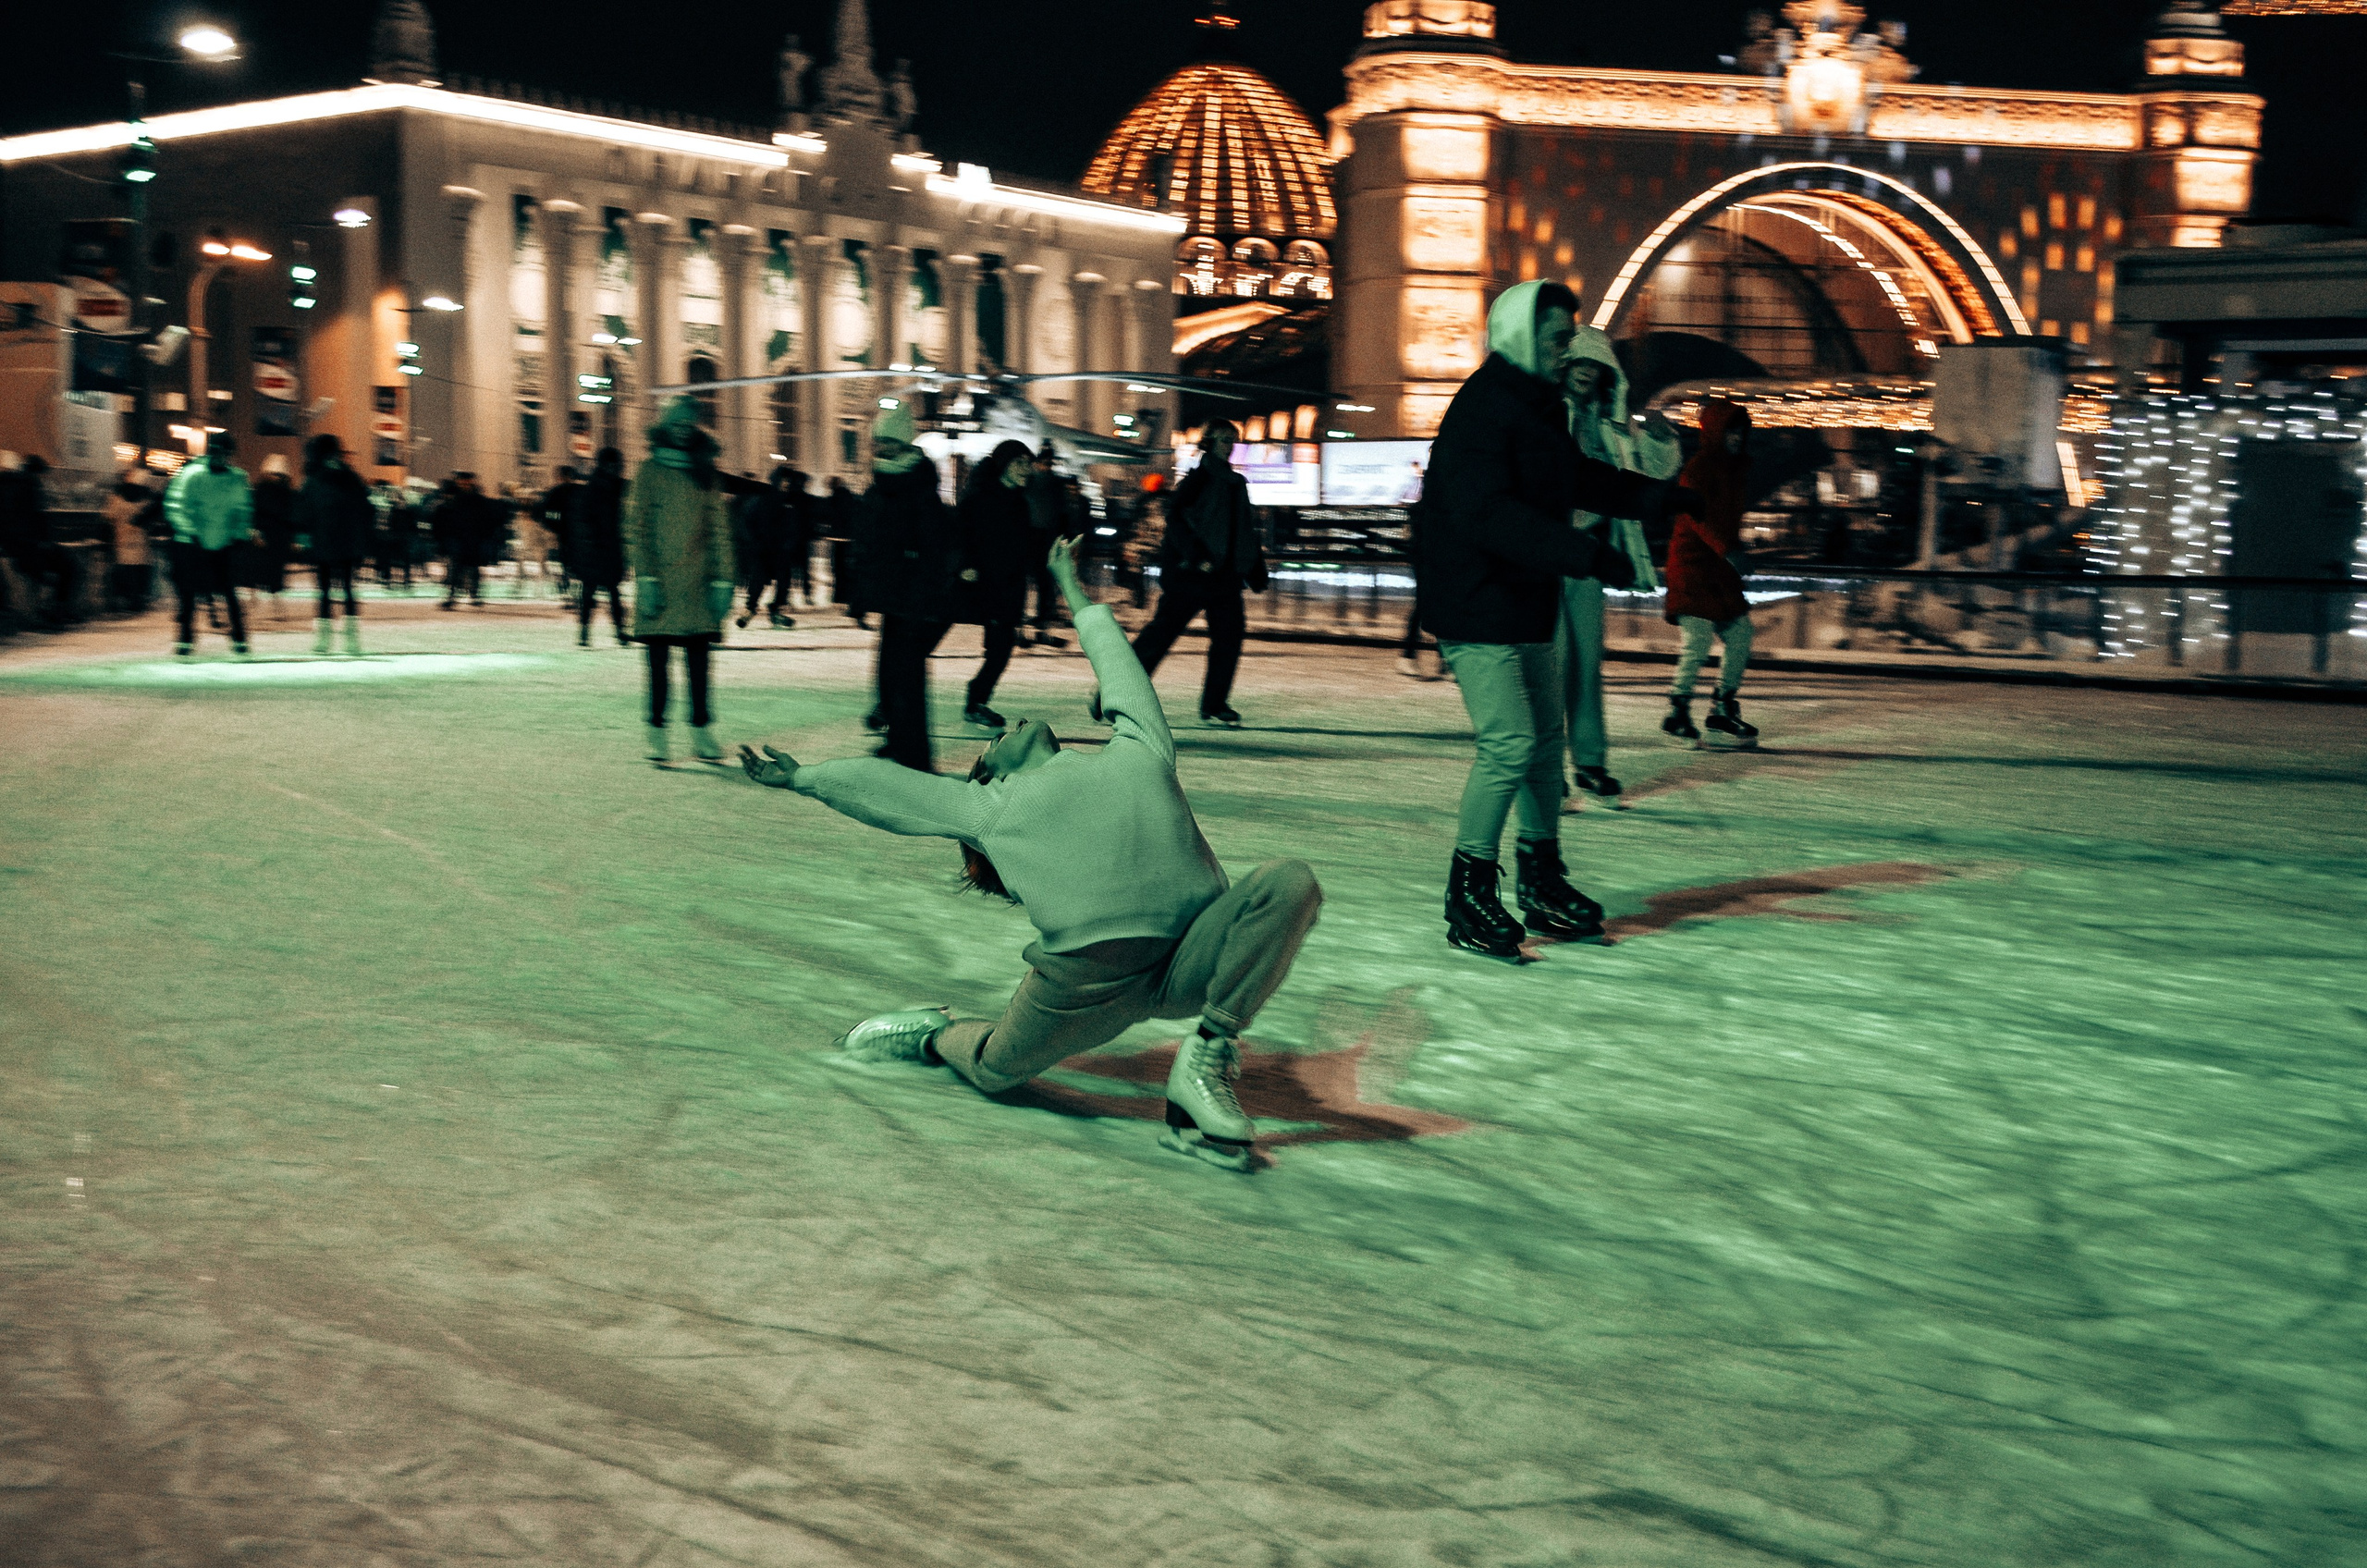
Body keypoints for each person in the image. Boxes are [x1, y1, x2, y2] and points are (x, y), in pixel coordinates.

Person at [740, 536, 1322, 1173]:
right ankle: (934, 1034)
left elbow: (1120, 670)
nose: (1001, 728)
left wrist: (1072, 589)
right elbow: (893, 790)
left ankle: (1205, 1058)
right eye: (990, 743)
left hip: (1191, 957)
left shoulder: (1138, 749)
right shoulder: (992, 808)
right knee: (996, 1069)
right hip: (1087, 983)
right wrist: (806, 779)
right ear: (985, 774)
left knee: (1289, 883)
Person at [1414, 279, 1694, 961]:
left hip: (1522, 597)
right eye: (1556, 339)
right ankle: (1470, 889)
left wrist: (1659, 499)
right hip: (1475, 601)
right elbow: (1489, 515)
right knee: (1510, 743)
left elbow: (1579, 480)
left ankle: (1542, 877)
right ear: (1516, 335)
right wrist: (1588, 556)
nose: (1567, 350)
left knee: (1543, 744)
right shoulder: (1481, 409)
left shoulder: (1537, 410)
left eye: (1570, 337)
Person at [1557, 327, 1679, 810]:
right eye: (1580, 363)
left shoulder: (1609, 424)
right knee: (1553, 666)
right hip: (1544, 555)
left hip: (1587, 557)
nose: (1587, 372)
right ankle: (1549, 774)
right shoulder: (1544, 412)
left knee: (1587, 666)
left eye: (1598, 367)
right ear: (1564, 365)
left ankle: (1589, 764)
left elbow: (1646, 468)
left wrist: (1662, 442)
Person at [1124, 421, 1267, 728]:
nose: (1229, 445)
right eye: (1224, 439)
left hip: (1224, 578)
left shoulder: (1236, 483)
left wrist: (1255, 568)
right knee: (1160, 637)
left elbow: (1244, 530)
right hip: (1191, 576)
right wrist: (1197, 556)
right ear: (1209, 443)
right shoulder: (1198, 480)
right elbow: (1175, 520)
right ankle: (1118, 691)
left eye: (1233, 440)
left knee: (1228, 640)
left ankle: (1215, 704)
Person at [625, 398, 735, 763]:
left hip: (698, 586)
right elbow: (636, 529)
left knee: (699, 668)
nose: (684, 431)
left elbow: (720, 530)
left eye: (690, 425)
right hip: (659, 584)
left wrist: (723, 580)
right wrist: (647, 578)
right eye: (678, 424)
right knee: (658, 667)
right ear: (666, 426)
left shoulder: (706, 472)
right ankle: (656, 731)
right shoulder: (649, 472)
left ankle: (701, 730)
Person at [854, 402, 958, 771]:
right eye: (876, 441)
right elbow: (867, 543)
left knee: (909, 674)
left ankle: (914, 751)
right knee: (889, 670)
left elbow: (933, 544)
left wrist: (924, 588)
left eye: (886, 440)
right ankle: (897, 738)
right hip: (889, 595)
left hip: (913, 597)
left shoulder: (917, 485)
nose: (879, 448)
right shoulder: (880, 483)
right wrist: (861, 592)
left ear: (901, 441)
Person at [1662, 398, 1760, 749]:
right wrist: (1730, 550)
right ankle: (1678, 711)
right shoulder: (1698, 469)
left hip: (1720, 569)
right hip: (1692, 566)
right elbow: (1696, 517)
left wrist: (1733, 552)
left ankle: (1721, 707)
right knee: (1698, 640)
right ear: (1716, 432)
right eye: (1731, 430)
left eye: (1741, 430)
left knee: (1741, 633)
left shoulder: (1736, 470)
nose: (1737, 437)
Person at [952, 439, 1036, 730]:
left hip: (1008, 585)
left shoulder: (1020, 502)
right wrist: (965, 565)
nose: (1027, 469)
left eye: (1029, 463)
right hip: (979, 583)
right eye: (1020, 463)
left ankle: (976, 701)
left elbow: (1025, 544)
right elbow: (960, 532)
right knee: (925, 637)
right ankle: (890, 702)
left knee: (1001, 648)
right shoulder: (981, 496)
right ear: (1004, 465)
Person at [163, 434, 256, 656]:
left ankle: (239, 637)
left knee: (228, 591)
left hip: (222, 543)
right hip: (192, 545)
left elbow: (242, 509)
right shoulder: (192, 475)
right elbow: (176, 505)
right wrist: (190, 532)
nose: (220, 458)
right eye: (216, 452)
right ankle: (186, 637)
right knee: (189, 593)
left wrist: (238, 534)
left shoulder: (236, 478)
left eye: (224, 454)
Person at [296, 433, 374, 656]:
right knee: (348, 589)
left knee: (324, 591)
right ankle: (351, 640)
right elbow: (366, 510)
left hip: (324, 542)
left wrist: (303, 536)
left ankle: (323, 639)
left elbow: (304, 510)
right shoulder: (352, 478)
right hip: (348, 543)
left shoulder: (313, 479)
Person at [1, 455, 81, 629]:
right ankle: (55, 610)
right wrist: (44, 540)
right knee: (68, 566)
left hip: (15, 545)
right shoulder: (28, 485)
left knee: (49, 571)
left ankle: (51, 610)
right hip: (31, 545)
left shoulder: (10, 485)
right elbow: (37, 516)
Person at [734, 466, 800, 631]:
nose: (785, 484)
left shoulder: (788, 502)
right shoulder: (764, 500)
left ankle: (773, 609)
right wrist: (753, 540)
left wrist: (789, 544)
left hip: (778, 550)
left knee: (782, 581)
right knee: (760, 580)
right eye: (784, 481)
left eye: (788, 482)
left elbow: (794, 527)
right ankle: (752, 608)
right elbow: (746, 521)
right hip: (764, 548)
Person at [1020, 446, 1071, 647]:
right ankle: (1036, 630)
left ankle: (1030, 630)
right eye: (1046, 463)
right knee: (1041, 586)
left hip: (1035, 537)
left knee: (1034, 585)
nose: (1047, 467)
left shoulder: (1033, 482)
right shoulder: (1054, 484)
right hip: (1041, 538)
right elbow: (1064, 514)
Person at [432, 473, 501, 608]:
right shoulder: (454, 498)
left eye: (466, 481)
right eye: (462, 481)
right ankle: (454, 596)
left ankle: (472, 595)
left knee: (472, 568)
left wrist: (485, 537)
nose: (464, 483)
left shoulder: (476, 500)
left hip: (473, 540)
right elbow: (444, 519)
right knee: (456, 568)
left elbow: (489, 519)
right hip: (458, 539)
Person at [248, 455, 299, 623]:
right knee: (268, 573)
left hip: (274, 537)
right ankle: (267, 606)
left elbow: (255, 513)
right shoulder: (284, 492)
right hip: (274, 537)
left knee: (267, 573)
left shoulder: (263, 490)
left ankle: (263, 605)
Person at [101, 472, 156, 615]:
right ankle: (135, 601)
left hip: (122, 541)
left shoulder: (116, 499)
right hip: (140, 543)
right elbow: (149, 520)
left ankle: (123, 600)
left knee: (124, 573)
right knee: (138, 574)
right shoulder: (146, 501)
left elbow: (108, 519)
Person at [539, 465, 583, 598]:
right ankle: (577, 588)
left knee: (565, 561)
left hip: (563, 532)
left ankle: (566, 587)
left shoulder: (555, 492)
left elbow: (546, 513)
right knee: (578, 560)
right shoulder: (580, 491)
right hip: (579, 533)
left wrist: (556, 525)